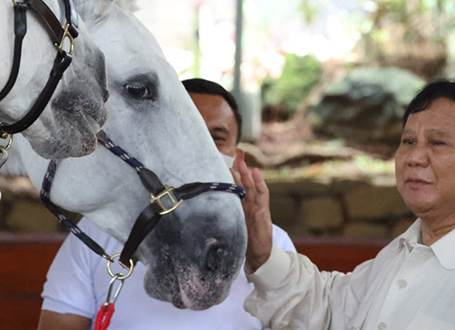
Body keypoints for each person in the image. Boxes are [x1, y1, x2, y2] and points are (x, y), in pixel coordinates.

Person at [236, 81, 455, 330]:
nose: (414, 157)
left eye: (438, 142)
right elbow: (329, 310)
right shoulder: (400, 253)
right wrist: (263, 253)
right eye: (408, 141)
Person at [37, 78, 296, 330]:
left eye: (216, 137)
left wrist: (263, 261)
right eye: (185, 132)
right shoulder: (99, 233)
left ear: (237, 157)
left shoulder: (272, 246)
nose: (201, 150)